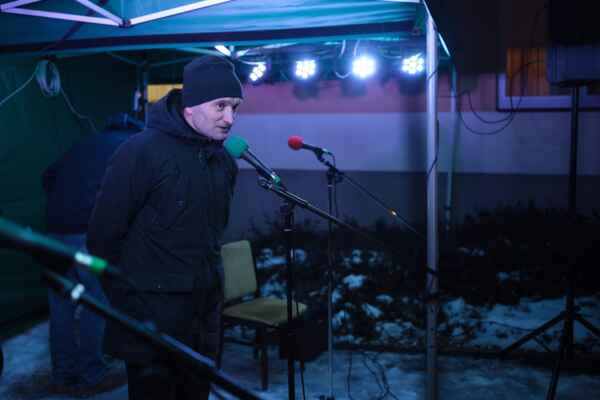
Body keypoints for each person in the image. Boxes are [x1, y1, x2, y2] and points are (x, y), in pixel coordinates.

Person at [87, 55, 243, 400]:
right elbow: (102, 238)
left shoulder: (224, 162)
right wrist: (129, 302)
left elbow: (213, 236)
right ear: (190, 108)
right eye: (220, 106)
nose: (229, 118)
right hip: (150, 323)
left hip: (202, 321)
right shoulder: (140, 152)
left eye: (234, 107)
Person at [42, 113, 142, 394]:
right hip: (87, 235)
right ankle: (91, 376)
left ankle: (62, 376)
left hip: (54, 232)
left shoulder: (85, 143)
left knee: (61, 307)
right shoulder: (131, 147)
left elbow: (47, 176)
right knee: (96, 304)